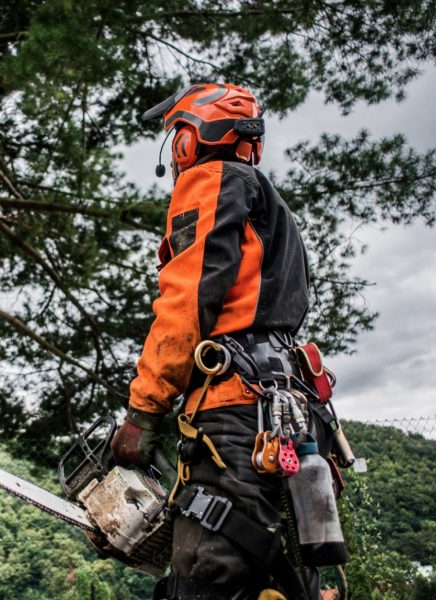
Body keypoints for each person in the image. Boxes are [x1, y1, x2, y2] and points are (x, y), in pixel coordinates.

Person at [111, 83, 345, 600]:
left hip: (235, 416)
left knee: (208, 575)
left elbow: (186, 303)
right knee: (278, 578)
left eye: (177, 136)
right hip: (288, 411)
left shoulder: (208, 181)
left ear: (190, 139)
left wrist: (143, 409)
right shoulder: (270, 203)